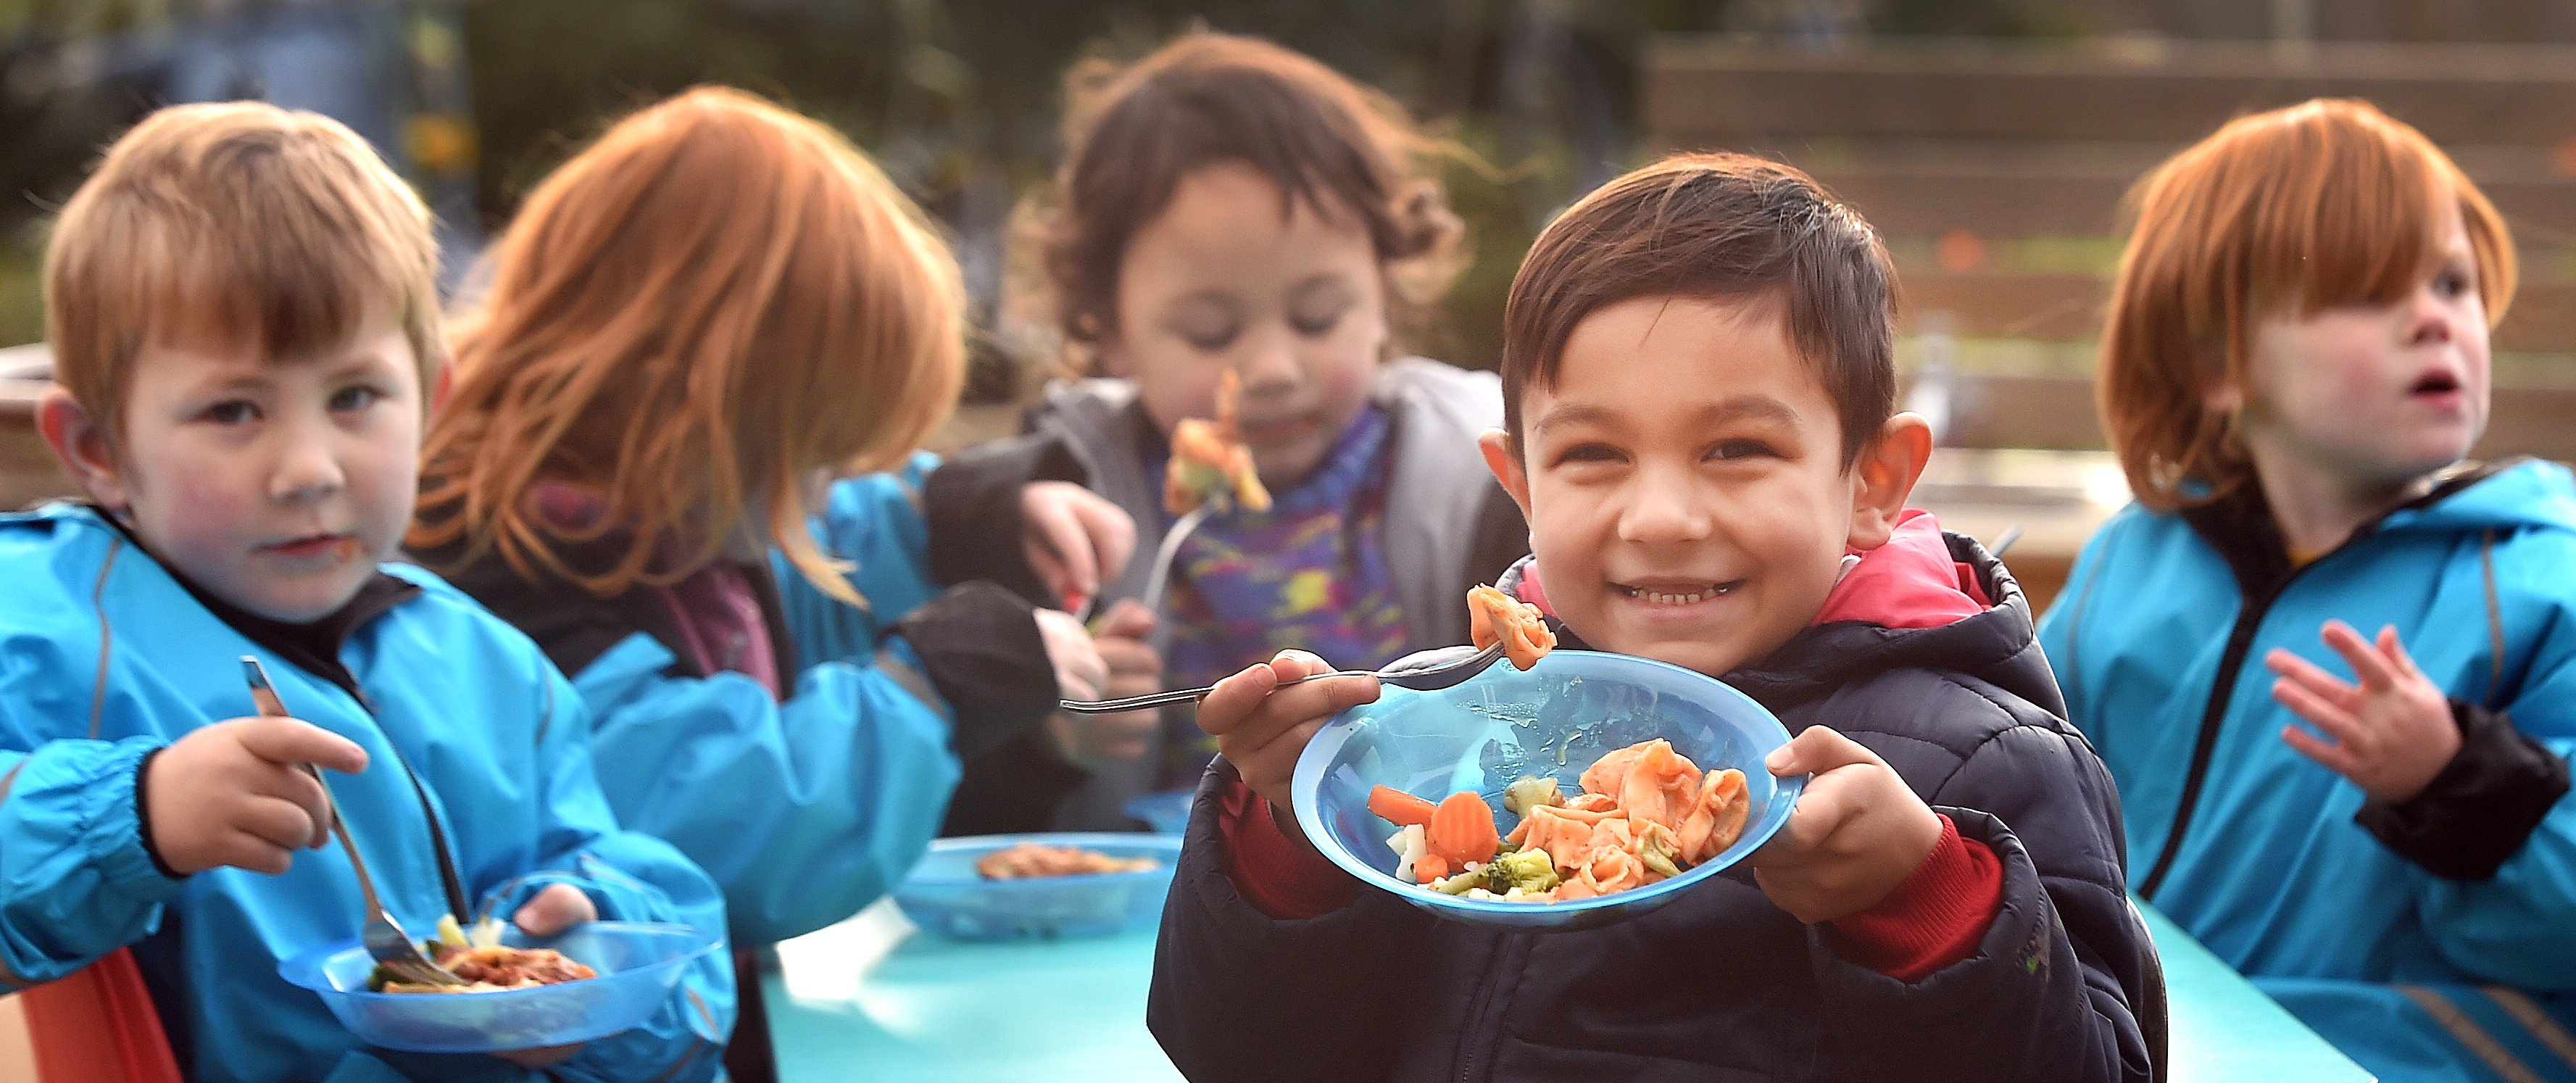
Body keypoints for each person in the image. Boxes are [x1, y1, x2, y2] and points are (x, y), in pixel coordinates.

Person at [1147, 152, 2152, 1082]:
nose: (1662, 517)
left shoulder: (1977, 764)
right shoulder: (1449, 729)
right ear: (1522, 483)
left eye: (1735, 449)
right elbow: (1245, 1056)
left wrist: (1923, 902)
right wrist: (1290, 826)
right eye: (1592, 454)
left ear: (1869, 480)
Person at [405, 87, 1130, 1077]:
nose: (826, 487)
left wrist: (963, 518)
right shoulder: (503, 576)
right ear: (691, 403)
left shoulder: (674, 503)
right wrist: (934, 683)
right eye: (816, 451)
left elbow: (816, 544)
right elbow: (711, 821)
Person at [4, 100, 731, 1082]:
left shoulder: (488, 664)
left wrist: (590, 932)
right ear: (99, 449)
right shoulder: (37, 631)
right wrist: (129, 815)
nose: (308, 467)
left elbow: (638, 910)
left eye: (354, 397)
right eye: (232, 409)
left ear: (431, 400)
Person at [2039, 98, 2576, 1083]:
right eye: (2364, 292)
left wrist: (2462, 785)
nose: (2433, 318)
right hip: (2146, 1040)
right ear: (2216, 366)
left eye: (2452, 283)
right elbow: (2020, 788)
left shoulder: (2542, 581)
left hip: (2394, 1054)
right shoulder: (2132, 570)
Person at [927, 33, 1527, 831]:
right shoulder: (1060, 498)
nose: (1272, 369)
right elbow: (963, 776)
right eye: (1209, 332)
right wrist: (1050, 728)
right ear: (1106, 330)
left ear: (1385, 291)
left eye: (1317, 315)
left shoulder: (1481, 471)